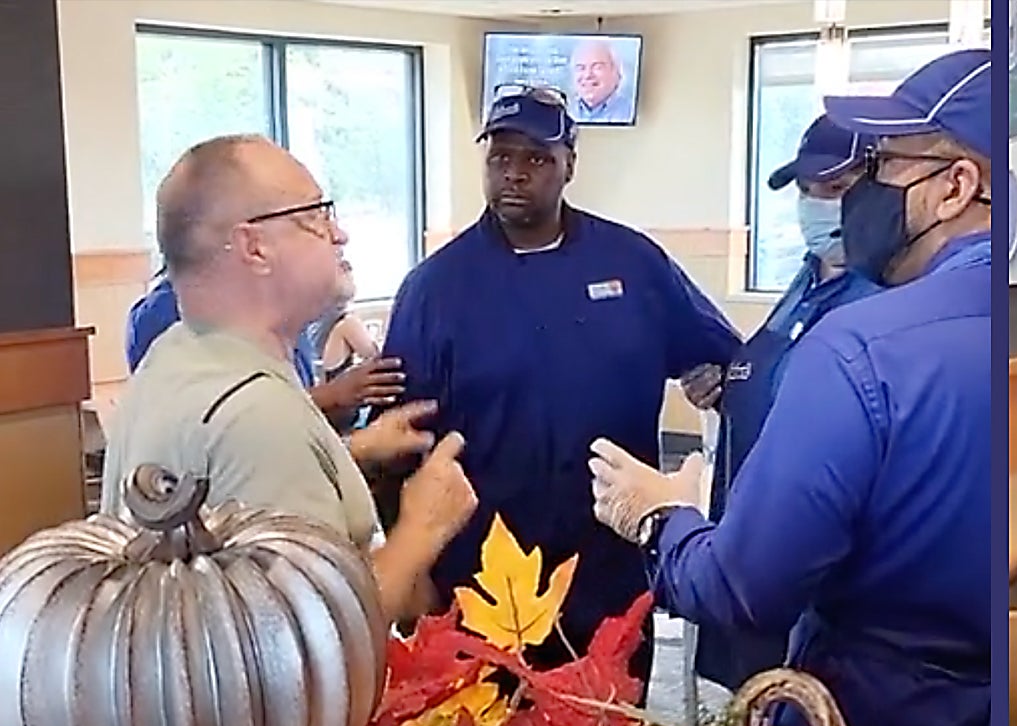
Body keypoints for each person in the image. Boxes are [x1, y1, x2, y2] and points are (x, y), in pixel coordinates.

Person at [585, 48, 993, 726]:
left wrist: (659, 515)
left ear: (954, 188)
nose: (852, 199)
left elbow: (745, 588)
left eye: (877, 169)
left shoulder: (869, 345)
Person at [377, 85, 738, 670]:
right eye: (501, 158)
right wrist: (411, 572)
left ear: (571, 163)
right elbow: (399, 445)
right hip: (480, 581)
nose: (515, 174)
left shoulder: (633, 264)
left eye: (537, 159)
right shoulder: (436, 289)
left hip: (609, 573)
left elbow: (724, 362)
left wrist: (717, 379)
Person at [100, 135, 474, 626]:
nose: (339, 234)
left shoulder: (172, 356)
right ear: (255, 247)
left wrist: (350, 451)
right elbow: (311, 642)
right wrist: (423, 528)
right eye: (316, 216)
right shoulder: (257, 418)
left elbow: (223, 490)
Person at [699, 114, 882, 688]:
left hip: (816, 577)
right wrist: (733, 386)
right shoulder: (806, 280)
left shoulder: (887, 295)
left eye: (833, 189)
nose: (815, 205)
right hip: (746, 545)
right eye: (806, 191)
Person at [127, 266, 405, 425]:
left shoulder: (282, 313)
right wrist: (334, 395)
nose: (336, 236)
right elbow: (221, 419)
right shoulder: (168, 312)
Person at [568, 39, 634, 123]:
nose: (587, 75)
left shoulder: (630, 113)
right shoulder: (563, 113)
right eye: (580, 68)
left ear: (616, 73)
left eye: (597, 67)